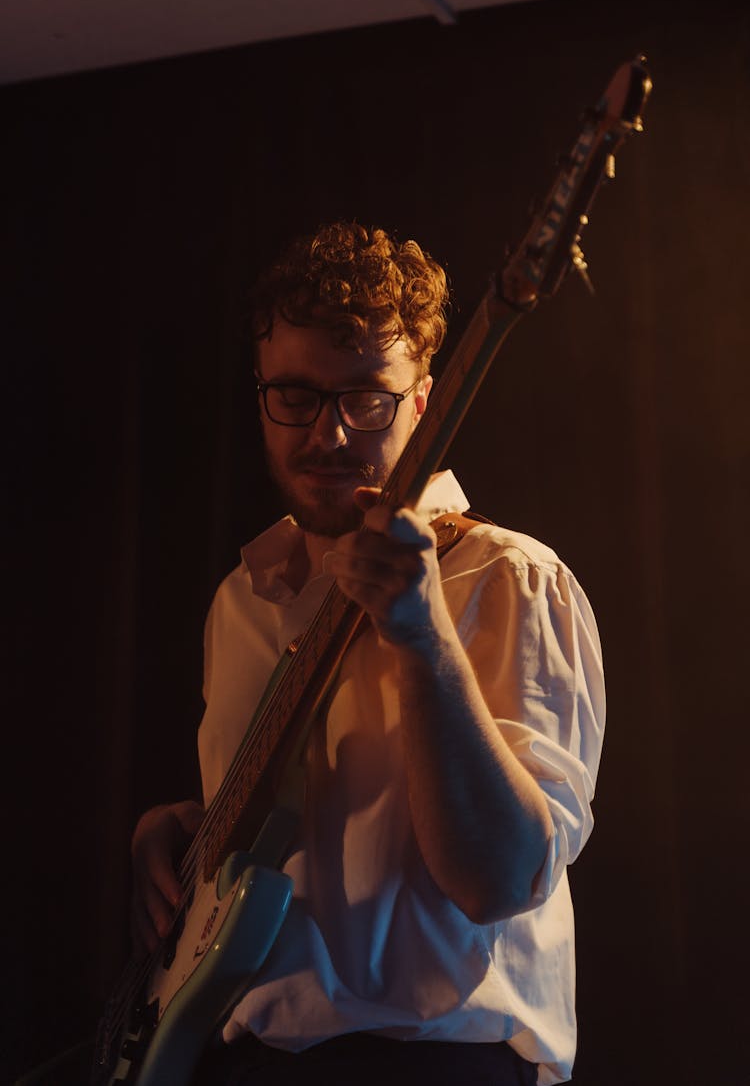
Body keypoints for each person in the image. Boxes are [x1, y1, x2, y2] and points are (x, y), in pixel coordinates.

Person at [131, 222, 605, 1086]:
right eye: (297, 397)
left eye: (367, 399)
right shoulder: (239, 600)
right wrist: (188, 839)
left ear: (424, 401)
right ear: (261, 393)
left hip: (439, 1066)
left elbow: (498, 879)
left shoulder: (510, 578)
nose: (330, 434)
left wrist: (423, 636)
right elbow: (284, 860)